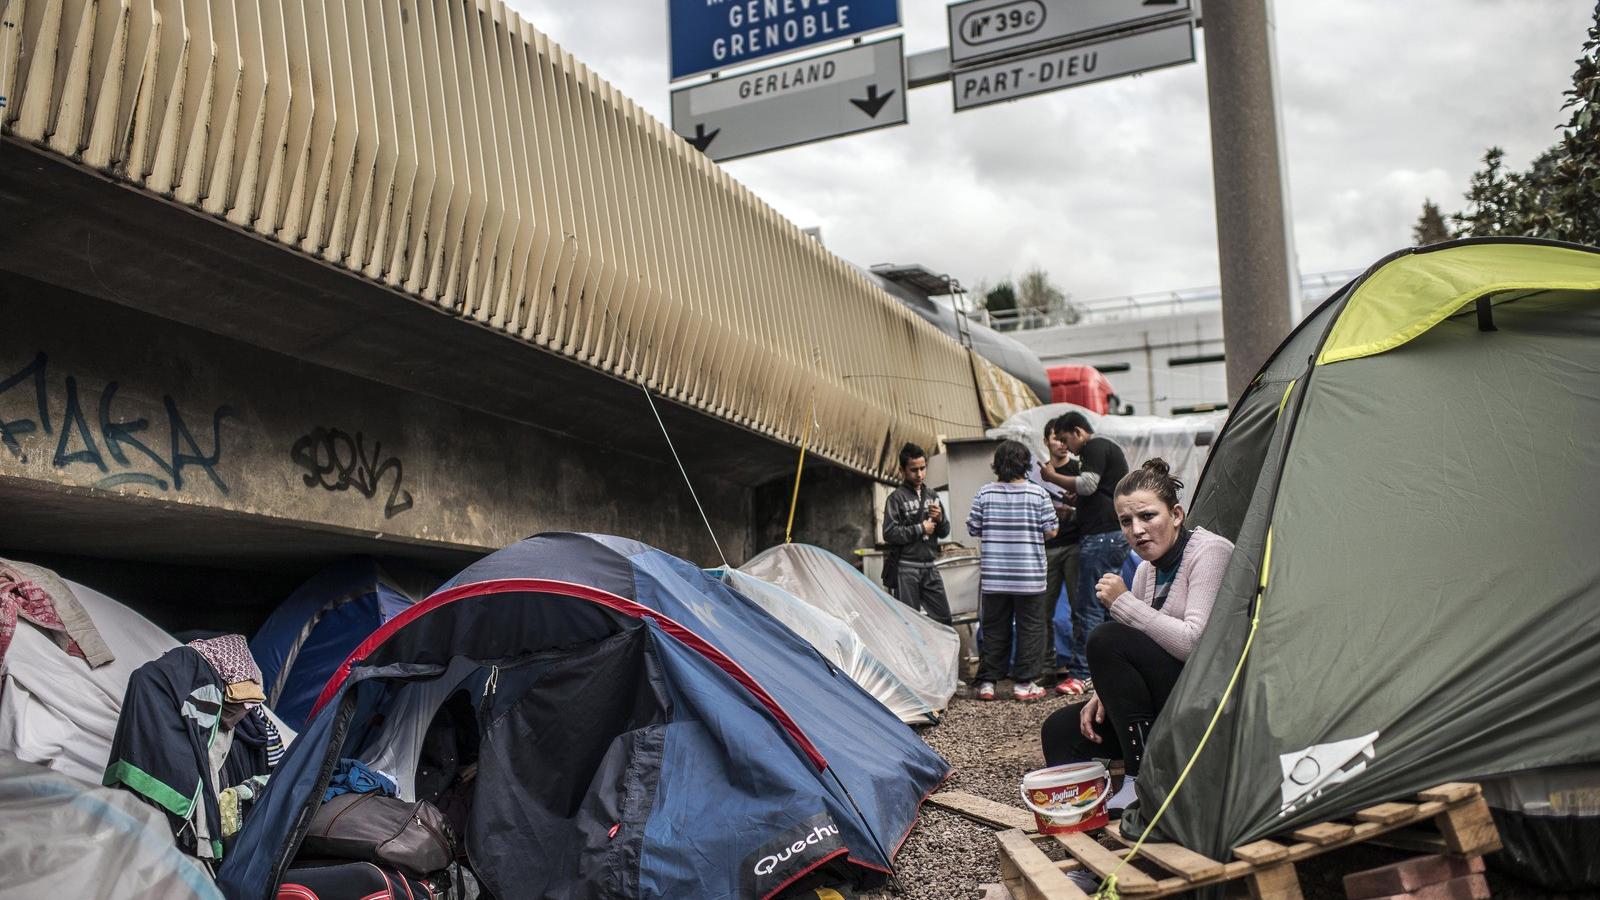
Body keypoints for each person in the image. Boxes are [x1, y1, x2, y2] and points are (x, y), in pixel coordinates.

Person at [1038, 458, 1233, 814]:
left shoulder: (1211, 552)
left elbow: (1194, 645)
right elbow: (1135, 655)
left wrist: (1124, 603)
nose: (1137, 530)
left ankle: (1140, 776)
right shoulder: (1145, 570)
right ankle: (1083, 833)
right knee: (1061, 729)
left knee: (1105, 637)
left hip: (1204, 701)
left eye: (1147, 516)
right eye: (1126, 521)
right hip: (1162, 701)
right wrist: (1106, 693)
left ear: (1175, 514)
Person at [1041, 411, 1130, 697]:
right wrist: (1076, 506)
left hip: (1101, 538)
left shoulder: (1094, 446)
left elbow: (1089, 484)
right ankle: (1110, 667)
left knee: (1089, 606)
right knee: (1107, 605)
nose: (1067, 446)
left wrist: (1052, 477)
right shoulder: (1103, 449)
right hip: (1111, 536)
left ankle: (1081, 674)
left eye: (1067, 439)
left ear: (1079, 432)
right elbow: (1096, 492)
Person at [966, 440, 1059, 702]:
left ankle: (987, 683)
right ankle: (1023, 683)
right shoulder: (1038, 494)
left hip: (995, 576)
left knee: (995, 627)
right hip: (1029, 576)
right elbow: (1051, 530)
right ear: (1025, 464)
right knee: (1031, 628)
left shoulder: (985, 493)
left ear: (997, 464)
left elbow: (973, 528)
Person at [1029, 416, 1080, 686]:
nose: (1062, 444)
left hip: (1074, 545)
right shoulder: (1037, 475)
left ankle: (1079, 666)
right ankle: (1048, 667)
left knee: (1078, 607)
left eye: (1064, 439)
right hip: (1047, 548)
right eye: (1056, 439)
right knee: (1044, 610)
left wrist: (1071, 512)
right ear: (1046, 441)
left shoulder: (1078, 469)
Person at [881, 443, 952, 625]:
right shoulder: (896, 498)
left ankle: (937, 654)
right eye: (914, 470)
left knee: (944, 620)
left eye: (922, 468)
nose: (919, 474)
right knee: (910, 623)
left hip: (930, 566)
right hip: (907, 568)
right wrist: (920, 528)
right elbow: (889, 533)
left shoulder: (932, 495)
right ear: (902, 470)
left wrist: (941, 519)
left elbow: (944, 532)